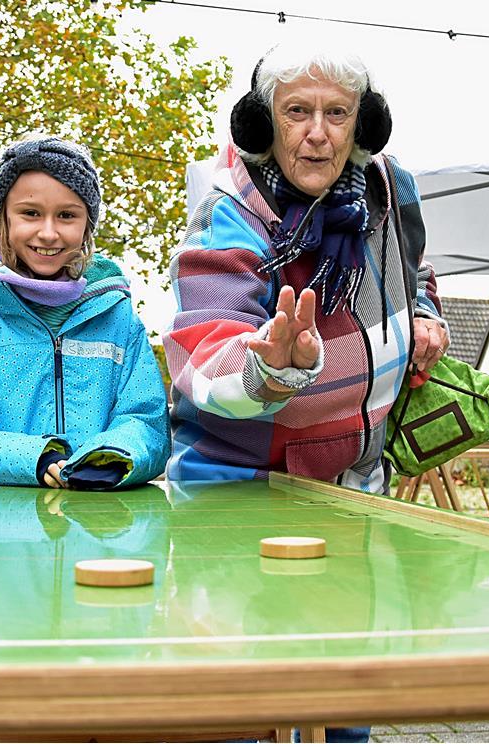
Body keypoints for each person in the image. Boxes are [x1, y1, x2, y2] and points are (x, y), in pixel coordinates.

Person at [164, 42, 449, 494]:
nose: (318, 133)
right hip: (239, 489)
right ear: (262, 125)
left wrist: (424, 316)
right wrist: (268, 370)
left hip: (357, 486)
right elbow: (203, 357)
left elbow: (412, 272)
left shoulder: (393, 189)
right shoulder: (228, 216)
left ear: (363, 125)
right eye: (297, 111)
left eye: (337, 113)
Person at [0, 135, 170, 490]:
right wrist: (35, 458)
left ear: (87, 226)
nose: (48, 233)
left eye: (66, 215)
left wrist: (111, 458)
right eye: (30, 213)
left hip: (98, 531)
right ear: (4, 218)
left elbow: (147, 423)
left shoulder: (120, 321)